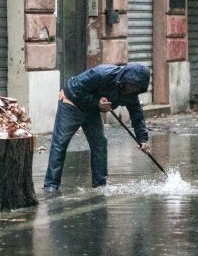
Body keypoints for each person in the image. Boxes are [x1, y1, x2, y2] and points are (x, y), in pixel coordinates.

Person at [43, 63, 151, 191]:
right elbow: (76, 89)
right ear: (125, 79)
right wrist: (96, 103)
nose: (132, 90)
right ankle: (51, 185)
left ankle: (100, 185)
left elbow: (137, 115)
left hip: (92, 110)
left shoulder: (131, 94)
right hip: (71, 102)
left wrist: (142, 139)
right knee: (60, 143)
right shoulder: (101, 74)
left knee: (99, 144)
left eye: (136, 88)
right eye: (131, 85)